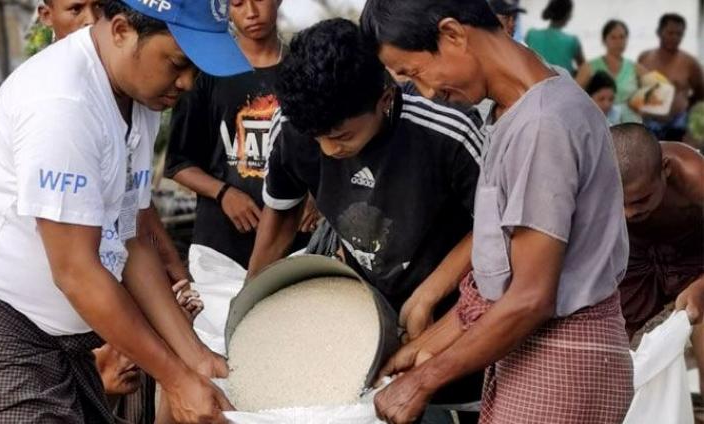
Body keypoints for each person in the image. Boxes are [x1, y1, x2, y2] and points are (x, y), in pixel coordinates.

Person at [0, 0, 253, 422]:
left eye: (195, 70)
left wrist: (196, 357)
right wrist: (175, 378)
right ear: (120, 30)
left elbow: (132, 241)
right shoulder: (63, 104)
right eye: (177, 63)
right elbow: (76, 270)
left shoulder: (140, 94)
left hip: (58, 335)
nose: (186, 82)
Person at [362, 0, 633, 422]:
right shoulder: (522, 107)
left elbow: (530, 297)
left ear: (452, 34)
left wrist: (425, 379)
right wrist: (424, 346)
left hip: (561, 361)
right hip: (536, 353)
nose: (428, 92)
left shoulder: (542, 125)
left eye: (416, 73)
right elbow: (501, 278)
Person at [249, 18, 486, 423]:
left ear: (384, 97)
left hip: (453, 321)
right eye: (316, 137)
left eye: (341, 136)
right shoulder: (292, 127)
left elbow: (497, 230)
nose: (327, 149)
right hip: (364, 318)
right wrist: (250, 301)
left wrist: (429, 294)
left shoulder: (447, 132)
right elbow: (281, 219)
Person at [165, 0, 315, 270]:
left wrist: (317, 198)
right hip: (221, 254)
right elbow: (178, 163)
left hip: (297, 248)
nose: (251, 12)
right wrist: (223, 193)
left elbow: (332, 148)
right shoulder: (206, 72)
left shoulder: (306, 71)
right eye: (237, 3)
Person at [608, 123, 704, 389]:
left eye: (640, 201)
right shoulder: (593, 178)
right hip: (635, 254)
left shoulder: (694, 175)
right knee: (613, 336)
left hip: (693, 252)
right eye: (620, 202)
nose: (628, 213)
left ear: (666, 169)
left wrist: (701, 286)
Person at [638, 13, 704, 142]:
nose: (675, 37)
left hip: (678, 125)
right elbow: (636, 88)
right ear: (659, 32)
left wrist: (683, 103)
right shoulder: (645, 58)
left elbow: (700, 91)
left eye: (679, 34)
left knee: (675, 159)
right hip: (649, 124)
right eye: (670, 32)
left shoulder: (690, 62)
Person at [575, 20, 646, 124]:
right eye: (613, 37)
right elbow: (573, 97)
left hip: (631, 127)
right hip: (599, 127)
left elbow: (661, 89)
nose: (618, 42)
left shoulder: (635, 68)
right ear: (604, 40)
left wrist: (638, 102)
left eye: (622, 37)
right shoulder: (589, 67)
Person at [524, 0, 584, 75]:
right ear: (567, 15)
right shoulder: (572, 41)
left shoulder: (531, 34)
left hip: (533, 83)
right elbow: (584, 69)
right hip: (562, 85)